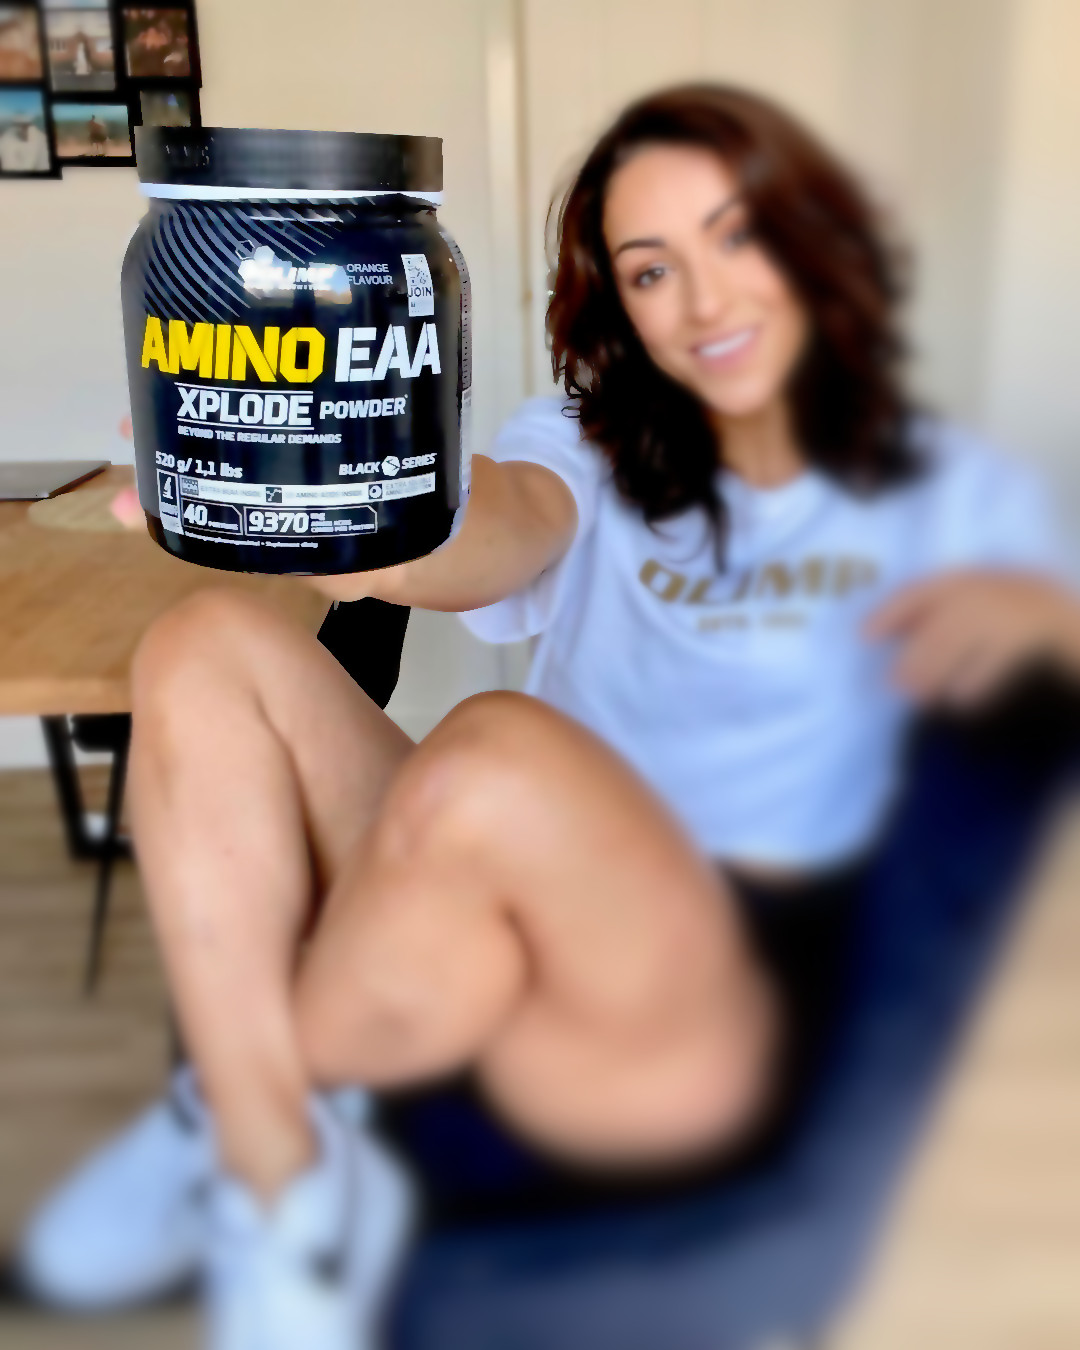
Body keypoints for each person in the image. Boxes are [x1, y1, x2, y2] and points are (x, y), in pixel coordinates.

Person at [17, 83, 1080, 1348]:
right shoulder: (593, 446)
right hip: (489, 878)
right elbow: (502, 520)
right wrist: (351, 523)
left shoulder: (941, 490)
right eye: (651, 268)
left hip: (711, 972)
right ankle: (272, 1172)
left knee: (496, 757)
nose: (704, 298)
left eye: (739, 236)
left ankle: (250, 1098)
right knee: (207, 647)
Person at [0, 108, 49, 174]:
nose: (22, 128)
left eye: (25, 125)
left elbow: (43, 165)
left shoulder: (40, 138)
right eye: (19, 125)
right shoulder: (7, 139)